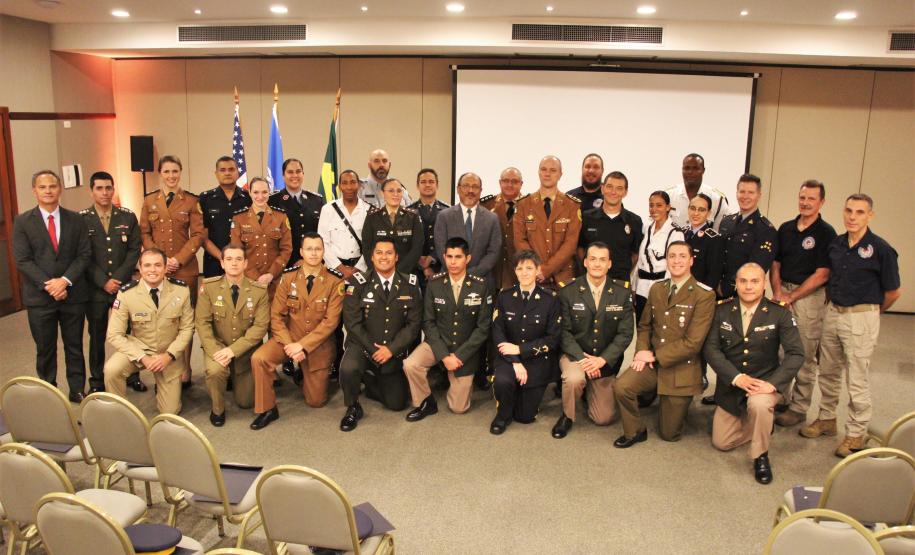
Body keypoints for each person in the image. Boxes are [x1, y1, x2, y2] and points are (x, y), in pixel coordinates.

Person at [800, 193, 901, 458]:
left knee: (856, 377)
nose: (852, 217)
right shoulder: (837, 244)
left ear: (870, 215)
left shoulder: (881, 249)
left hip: (862, 316)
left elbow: (893, 292)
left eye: (859, 212)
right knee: (829, 370)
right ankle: (826, 418)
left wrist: (872, 313)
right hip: (833, 313)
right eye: (848, 211)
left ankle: (856, 433)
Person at [704, 263, 804, 484]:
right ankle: (763, 425)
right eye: (743, 281)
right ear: (736, 284)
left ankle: (761, 455)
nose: (748, 286)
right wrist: (737, 378)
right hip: (732, 385)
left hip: (763, 383)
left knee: (759, 405)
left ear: (764, 283)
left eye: (754, 281)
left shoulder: (779, 313)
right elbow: (711, 349)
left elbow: (796, 354)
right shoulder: (721, 310)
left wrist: (773, 384)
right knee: (721, 443)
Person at [613, 241, 715, 448]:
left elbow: (693, 343)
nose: (676, 260)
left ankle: (674, 402)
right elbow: (644, 326)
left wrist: (655, 356)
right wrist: (641, 351)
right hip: (652, 363)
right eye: (672, 256)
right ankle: (635, 430)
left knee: (669, 433)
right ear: (666, 261)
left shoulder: (704, 295)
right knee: (622, 387)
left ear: (691, 261)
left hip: (681, 368)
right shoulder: (657, 289)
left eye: (682, 256)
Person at [249, 233, 344, 430]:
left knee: (316, 401)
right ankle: (267, 409)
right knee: (259, 358)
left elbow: (330, 323)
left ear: (324, 251)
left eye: (318, 249)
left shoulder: (335, 281)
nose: (314, 253)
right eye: (309, 249)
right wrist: (290, 345)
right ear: (301, 252)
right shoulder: (288, 277)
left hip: (318, 345)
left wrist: (302, 346)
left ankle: (304, 374)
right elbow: (276, 317)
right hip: (289, 338)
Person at [12, 170, 91, 402]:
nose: (48, 191)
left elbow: (84, 255)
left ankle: (77, 389)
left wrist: (64, 281)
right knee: (45, 348)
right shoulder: (23, 221)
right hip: (40, 297)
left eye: (52, 186)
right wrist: (50, 285)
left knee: (74, 345)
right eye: (43, 187)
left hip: (73, 293)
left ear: (60, 189)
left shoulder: (76, 219)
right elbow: (23, 260)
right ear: (34, 191)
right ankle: (49, 392)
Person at [403, 237, 492, 420]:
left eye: (458, 257)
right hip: (438, 342)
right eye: (449, 256)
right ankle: (425, 402)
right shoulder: (434, 283)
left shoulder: (481, 286)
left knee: (459, 408)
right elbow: (428, 322)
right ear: (443, 257)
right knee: (411, 364)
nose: (453, 262)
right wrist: (444, 355)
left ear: (467, 259)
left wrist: (459, 356)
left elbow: (483, 328)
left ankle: (456, 379)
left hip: (465, 348)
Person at [771, 181, 837, 428]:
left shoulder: (826, 233)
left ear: (821, 202)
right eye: (802, 197)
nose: (805, 202)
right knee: (779, 350)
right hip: (783, 293)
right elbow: (775, 263)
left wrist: (793, 296)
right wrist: (778, 292)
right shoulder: (786, 228)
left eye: (811, 198)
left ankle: (799, 407)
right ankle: (781, 397)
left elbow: (822, 273)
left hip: (808, 298)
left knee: (805, 352)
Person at [338, 238, 422, 431]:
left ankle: (370, 379)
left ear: (396, 257)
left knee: (397, 404)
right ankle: (352, 407)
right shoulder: (357, 283)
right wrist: (375, 350)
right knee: (348, 368)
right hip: (362, 346)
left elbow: (413, 324)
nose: (384, 257)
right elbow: (352, 323)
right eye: (379, 253)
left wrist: (391, 349)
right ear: (372, 257)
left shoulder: (409, 283)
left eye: (389, 253)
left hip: (392, 349)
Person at [554, 241, 634, 439]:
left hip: (603, 359)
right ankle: (567, 416)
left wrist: (602, 360)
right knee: (574, 379)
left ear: (609, 264)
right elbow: (563, 332)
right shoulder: (568, 291)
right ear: (585, 262)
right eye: (593, 259)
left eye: (602, 260)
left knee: (603, 418)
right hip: (575, 355)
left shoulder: (622, 293)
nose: (597, 264)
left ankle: (589, 391)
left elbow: (625, 334)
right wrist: (583, 359)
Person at [140, 155, 204, 388]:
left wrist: (178, 259)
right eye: (166, 171)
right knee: (162, 321)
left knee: (184, 320)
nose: (171, 176)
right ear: (160, 173)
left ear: (180, 172)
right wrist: (158, 260)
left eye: (175, 171)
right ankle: (164, 367)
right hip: (158, 272)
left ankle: (185, 369)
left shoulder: (190, 201)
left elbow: (197, 235)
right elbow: (144, 233)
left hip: (184, 269)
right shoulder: (149, 201)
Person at [104, 249, 195, 414]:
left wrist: (169, 355)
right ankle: (116, 412)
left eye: (157, 265)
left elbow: (187, 329)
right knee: (112, 369)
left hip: (169, 353)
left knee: (170, 413)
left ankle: (164, 389)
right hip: (140, 349)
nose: (152, 270)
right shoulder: (126, 293)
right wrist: (143, 358)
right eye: (147, 265)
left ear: (166, 267)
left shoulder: (181, 291)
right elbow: (114, 334)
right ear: (139, 268)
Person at [80, 171, 142, 394]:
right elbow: (82, 255)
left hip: (123, 287)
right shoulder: (82, 219)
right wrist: (103, 281)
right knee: (97, 334)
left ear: (113, 189)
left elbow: (135, 249)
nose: (105, 193)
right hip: (95, 289)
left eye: (108, 188)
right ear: (92, 190)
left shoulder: (127, 216)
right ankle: (96, 380)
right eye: (99, 188)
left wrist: (118, 278)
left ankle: (132, 374)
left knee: (128, 332)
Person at [195, 244, 270, 426]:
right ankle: (217, 409)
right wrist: (215, 351)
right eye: (229, 259)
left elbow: (260, 327)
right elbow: (202, 323)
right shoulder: (209, 287)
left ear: (245, 263)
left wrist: (233, 351)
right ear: (222, 263)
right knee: (214, 371)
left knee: (246, 403)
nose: (234, 264)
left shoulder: (259, 290)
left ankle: (234, 378)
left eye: (238, 259)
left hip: (245, 351)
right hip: (218, 346)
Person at [490, 250, 562, 435]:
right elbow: (498, 332)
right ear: (514, 271)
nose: (524, 272)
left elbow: (552, 339)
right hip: (509, 358)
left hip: (537, 359)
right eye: (520, 268)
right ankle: (502, 415)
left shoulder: (550, 300)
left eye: (529, 268)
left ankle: (518, 397)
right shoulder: (505, 296)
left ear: (538, 270)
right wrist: (515, 360)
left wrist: (521, 349)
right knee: (503, 382)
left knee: (525, 417)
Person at [513, 155, 582, 290]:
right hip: (532, 277)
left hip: (563, 278)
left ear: (560, 174)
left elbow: (571, 243)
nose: (547, 174)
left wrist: (546, 270)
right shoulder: (523, 204)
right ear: (538, 172)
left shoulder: (572, 205)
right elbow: (520, 240)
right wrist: (535, 268)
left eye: (553, 170)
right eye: (544, 169)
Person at [683, 193, 725, 405]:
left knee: (698, 342)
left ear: (708, 213)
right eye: (693, 208)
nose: (696, 213)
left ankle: (698, 379)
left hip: (700, 301)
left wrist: (700, 301)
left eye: (701, 209)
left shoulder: (713, 239)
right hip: (679, 299)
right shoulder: (680, 234)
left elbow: (713, 275)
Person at [229, 177, 292, 298]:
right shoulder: (239, 218)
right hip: (248, 280)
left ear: (269, 192)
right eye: (256, 192)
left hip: (275, 280)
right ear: (250, 193)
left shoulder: (281, 216)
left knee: (274, 315)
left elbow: (286, 249)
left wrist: (271, 274)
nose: (260, 196)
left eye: (264, 192)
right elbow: (237, 252)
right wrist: (256, 277)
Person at [433, 172, 502, 283]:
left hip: (481, 281)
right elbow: (441, 249)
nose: (470, 190)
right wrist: (457, 271)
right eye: (466, 186)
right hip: (449, 280)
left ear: (480, 191)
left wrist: (471, 274)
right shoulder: (444, 216)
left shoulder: (492, 218)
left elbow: (493, 252)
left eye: (475, 187)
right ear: (458, 189)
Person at [577, 170, 643, 283]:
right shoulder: (587, 217)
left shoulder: (634, 221)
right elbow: (580, 249)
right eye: (609, 187)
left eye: (619, 188)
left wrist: (621, 270)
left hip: (621, 283)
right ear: (602, 188)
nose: (613, 192)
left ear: (625, 192)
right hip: (591, 283)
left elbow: (635, 254)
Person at [718, 174, 777, 299]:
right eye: (742, 191)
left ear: (759, 195)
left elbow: (757, 268)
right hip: (717, 291)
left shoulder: (766, 229)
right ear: (736, 193)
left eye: (751, 192)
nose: (745, 196)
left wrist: (729, 286)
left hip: (745, 294)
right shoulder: (727, 222)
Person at [635, 190, 685, 319]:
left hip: (661, 288)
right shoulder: (647, 228)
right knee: (641, 328)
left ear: (668, 207)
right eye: (651, 205)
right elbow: (641, 261)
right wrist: (634, 286)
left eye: (659, 205)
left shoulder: (675, 233)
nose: (654, 209)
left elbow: (675, 265)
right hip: (642, 288)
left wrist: (668, 292)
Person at [199, 156, 251, 278]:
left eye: (231, 169)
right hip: (214, 262)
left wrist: (237, 258)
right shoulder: (205, 199)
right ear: (216, 174)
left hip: (243, 263)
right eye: (222, 170)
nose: (227, 173)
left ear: (238, 173)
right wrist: (222, 257)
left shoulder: (249, 198)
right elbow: (202, 235)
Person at [268, 158, 325, 268]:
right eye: (290, 172)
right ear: (283, 176)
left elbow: (322, 233)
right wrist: (294, 260)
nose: (295, 175)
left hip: (313, 262)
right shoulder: (272, 201)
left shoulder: (316, 200)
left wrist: (306, 259)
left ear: (303, 174)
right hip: (284, 264)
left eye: (298, 171)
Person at [361, 178, 423, 275]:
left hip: (406, 274)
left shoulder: (412, 217)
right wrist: (379, 271)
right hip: (378, 275)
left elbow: (417, 248)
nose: (395, 194)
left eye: (399, 191)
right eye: (391, 191)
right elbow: (366, 247)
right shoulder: (372, 217)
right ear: (382, 193)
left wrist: (398, 273)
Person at [318, 169, 371, 278]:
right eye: (345, 183)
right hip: (332, 271)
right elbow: (322, 243)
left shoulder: (369, 210)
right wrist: (340, 268)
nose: (349, 187)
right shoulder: (328, 209)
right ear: (339, 186)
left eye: (353, 182)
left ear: (359, 185)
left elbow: (371, 244)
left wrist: (358, 268)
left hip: (361, 272)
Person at [481, 167, 525, 291]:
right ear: (500, 182)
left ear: (521, 184)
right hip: (494, 270)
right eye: (506, 181)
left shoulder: (529, 205)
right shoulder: (486, 205)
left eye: (514, 181)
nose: (509, 185)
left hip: (520, 270)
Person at [667, 153, 731, 231]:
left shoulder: (717, 199)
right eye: (686, 168)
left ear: (703, 170)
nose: (690, 172)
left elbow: (721, 233)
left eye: (696, 168)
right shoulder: (668, 196)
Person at [408, 168, 450, 283]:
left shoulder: (448, 211)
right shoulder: (408, 212)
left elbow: (450, 239)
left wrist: (433, 258)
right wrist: (420, 261)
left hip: (440, 267)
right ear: (417, 186)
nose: (427, 185)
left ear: (437, 185)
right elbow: (405, 241)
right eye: (423, 182)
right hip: (413, 270)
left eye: (431, 182)